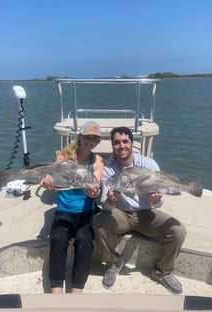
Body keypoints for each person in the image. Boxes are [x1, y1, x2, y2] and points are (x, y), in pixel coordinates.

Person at [92, 127, 186, 294]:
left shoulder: (148, 164)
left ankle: (162, 271)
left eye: (125, 141)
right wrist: (111, 201)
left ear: (132, 143)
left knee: (178, 230)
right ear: (112, 146)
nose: (121, 146)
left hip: (146, 214)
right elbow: (105, 207)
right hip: (121, 213)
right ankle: (113, 263)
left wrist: (156, 200)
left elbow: (160, 199)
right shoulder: (108, 170)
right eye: (117, 143)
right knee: (99, 223)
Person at [41, 121, 104, 294]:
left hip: (86, 212)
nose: (90, 141)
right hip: (64, 211)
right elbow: (54, 180)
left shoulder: (97, 161)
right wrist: (48, 183)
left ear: (97, 141)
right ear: (80, 137)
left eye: (94, 138)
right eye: (87, 137)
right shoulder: (63, 156)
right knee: (57, 238)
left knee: (84, 241)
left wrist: (93, 192)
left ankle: (77, 290)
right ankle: (56, 291)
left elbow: (95, 189)